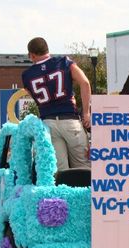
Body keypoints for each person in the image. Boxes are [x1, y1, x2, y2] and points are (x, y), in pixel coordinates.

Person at [22, 37, 91, 171]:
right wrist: (86, 112)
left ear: (32, 55)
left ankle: (62, 193)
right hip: (70, 120)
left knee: (60, 172)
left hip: (48, 124)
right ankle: (86, 193)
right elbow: (85, 82)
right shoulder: (64, 62)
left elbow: (35, 98)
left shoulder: (27, 75)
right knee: (84, 168)